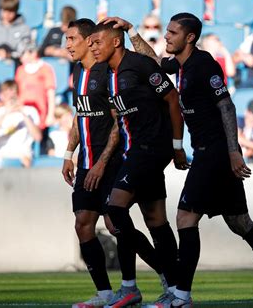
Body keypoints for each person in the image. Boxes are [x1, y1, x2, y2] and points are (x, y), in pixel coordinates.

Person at [104, 13, 253, 307]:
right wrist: (132, 31)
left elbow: (227, 106)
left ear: (190, 37)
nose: (167, 36)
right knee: (240, 222)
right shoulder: (178, 64)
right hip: (210, 151)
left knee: (185, 217)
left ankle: (181, 294)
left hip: (215, 153)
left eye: (172, 33)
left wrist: (234, 152)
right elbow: (153, 61)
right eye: (167, 31)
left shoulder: (204, 64)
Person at [63, 19, 172, 307]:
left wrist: (102, 163)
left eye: (71, 38)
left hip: (111, 159)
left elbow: (118, 119)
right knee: (83, 224)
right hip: (86, 159)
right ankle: (104, 293)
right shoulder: (77, 72)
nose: (67, 44)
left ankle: (163, 275)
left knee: (115, 223)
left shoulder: (108, 68)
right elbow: (79, 115)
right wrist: (68, 153)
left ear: (89, 40)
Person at [90, 21, 187, 307]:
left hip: (151, 149)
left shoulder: (140, 65)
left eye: (97, 42)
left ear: (115, 42)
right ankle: (175, 286)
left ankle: (162, 272)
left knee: (114, 209)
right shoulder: (107, 75)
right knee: (156, 220)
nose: (93, 47)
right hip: (133, 151)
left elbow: (172, 99)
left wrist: (177, 146)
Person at [0, 80, 42, 167]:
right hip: (1, 157)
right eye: (7, 95)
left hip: (23, 157)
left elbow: (38, 137)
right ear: (1, 96)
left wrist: (23, 113)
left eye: (14, 95)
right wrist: (5, 114)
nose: (11, 98)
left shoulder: (30, 111)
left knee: (26, 161)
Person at [15, 44, 56, 144]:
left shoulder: (45, 68)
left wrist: (50, 114)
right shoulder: (20, 70)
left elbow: (50, 92)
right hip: (23, 111)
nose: (21, 58)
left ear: (33, 53)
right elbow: (17, 92)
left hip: (40, 111)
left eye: (23, 54)